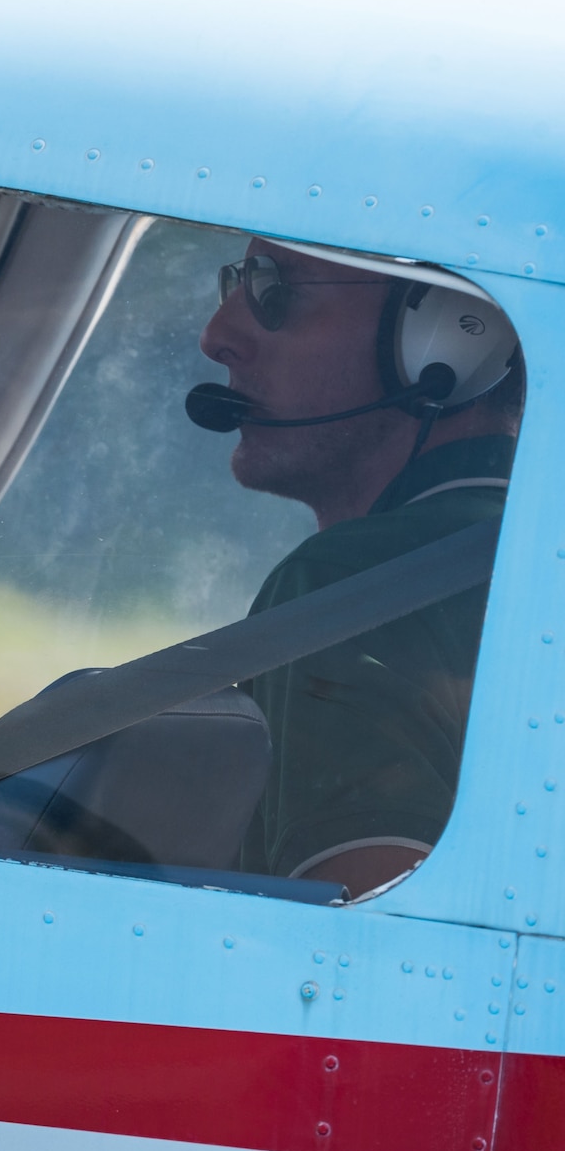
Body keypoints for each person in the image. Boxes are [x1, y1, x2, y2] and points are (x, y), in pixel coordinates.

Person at [197, 239, 521, 893]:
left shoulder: (350, 583)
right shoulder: (526, 544)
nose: (217, 336)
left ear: (450, 339)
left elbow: (357, 955)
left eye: (274, 288)